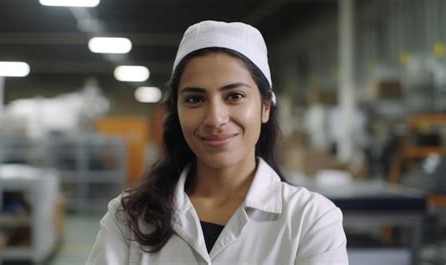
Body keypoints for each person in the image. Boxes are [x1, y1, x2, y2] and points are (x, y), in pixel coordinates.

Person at [86, 20, 348, 264]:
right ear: (176, 111)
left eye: (234, 95)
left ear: (265, 106)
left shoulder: (311, 219)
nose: (215, 118)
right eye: (195, 99)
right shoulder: (128, 217)